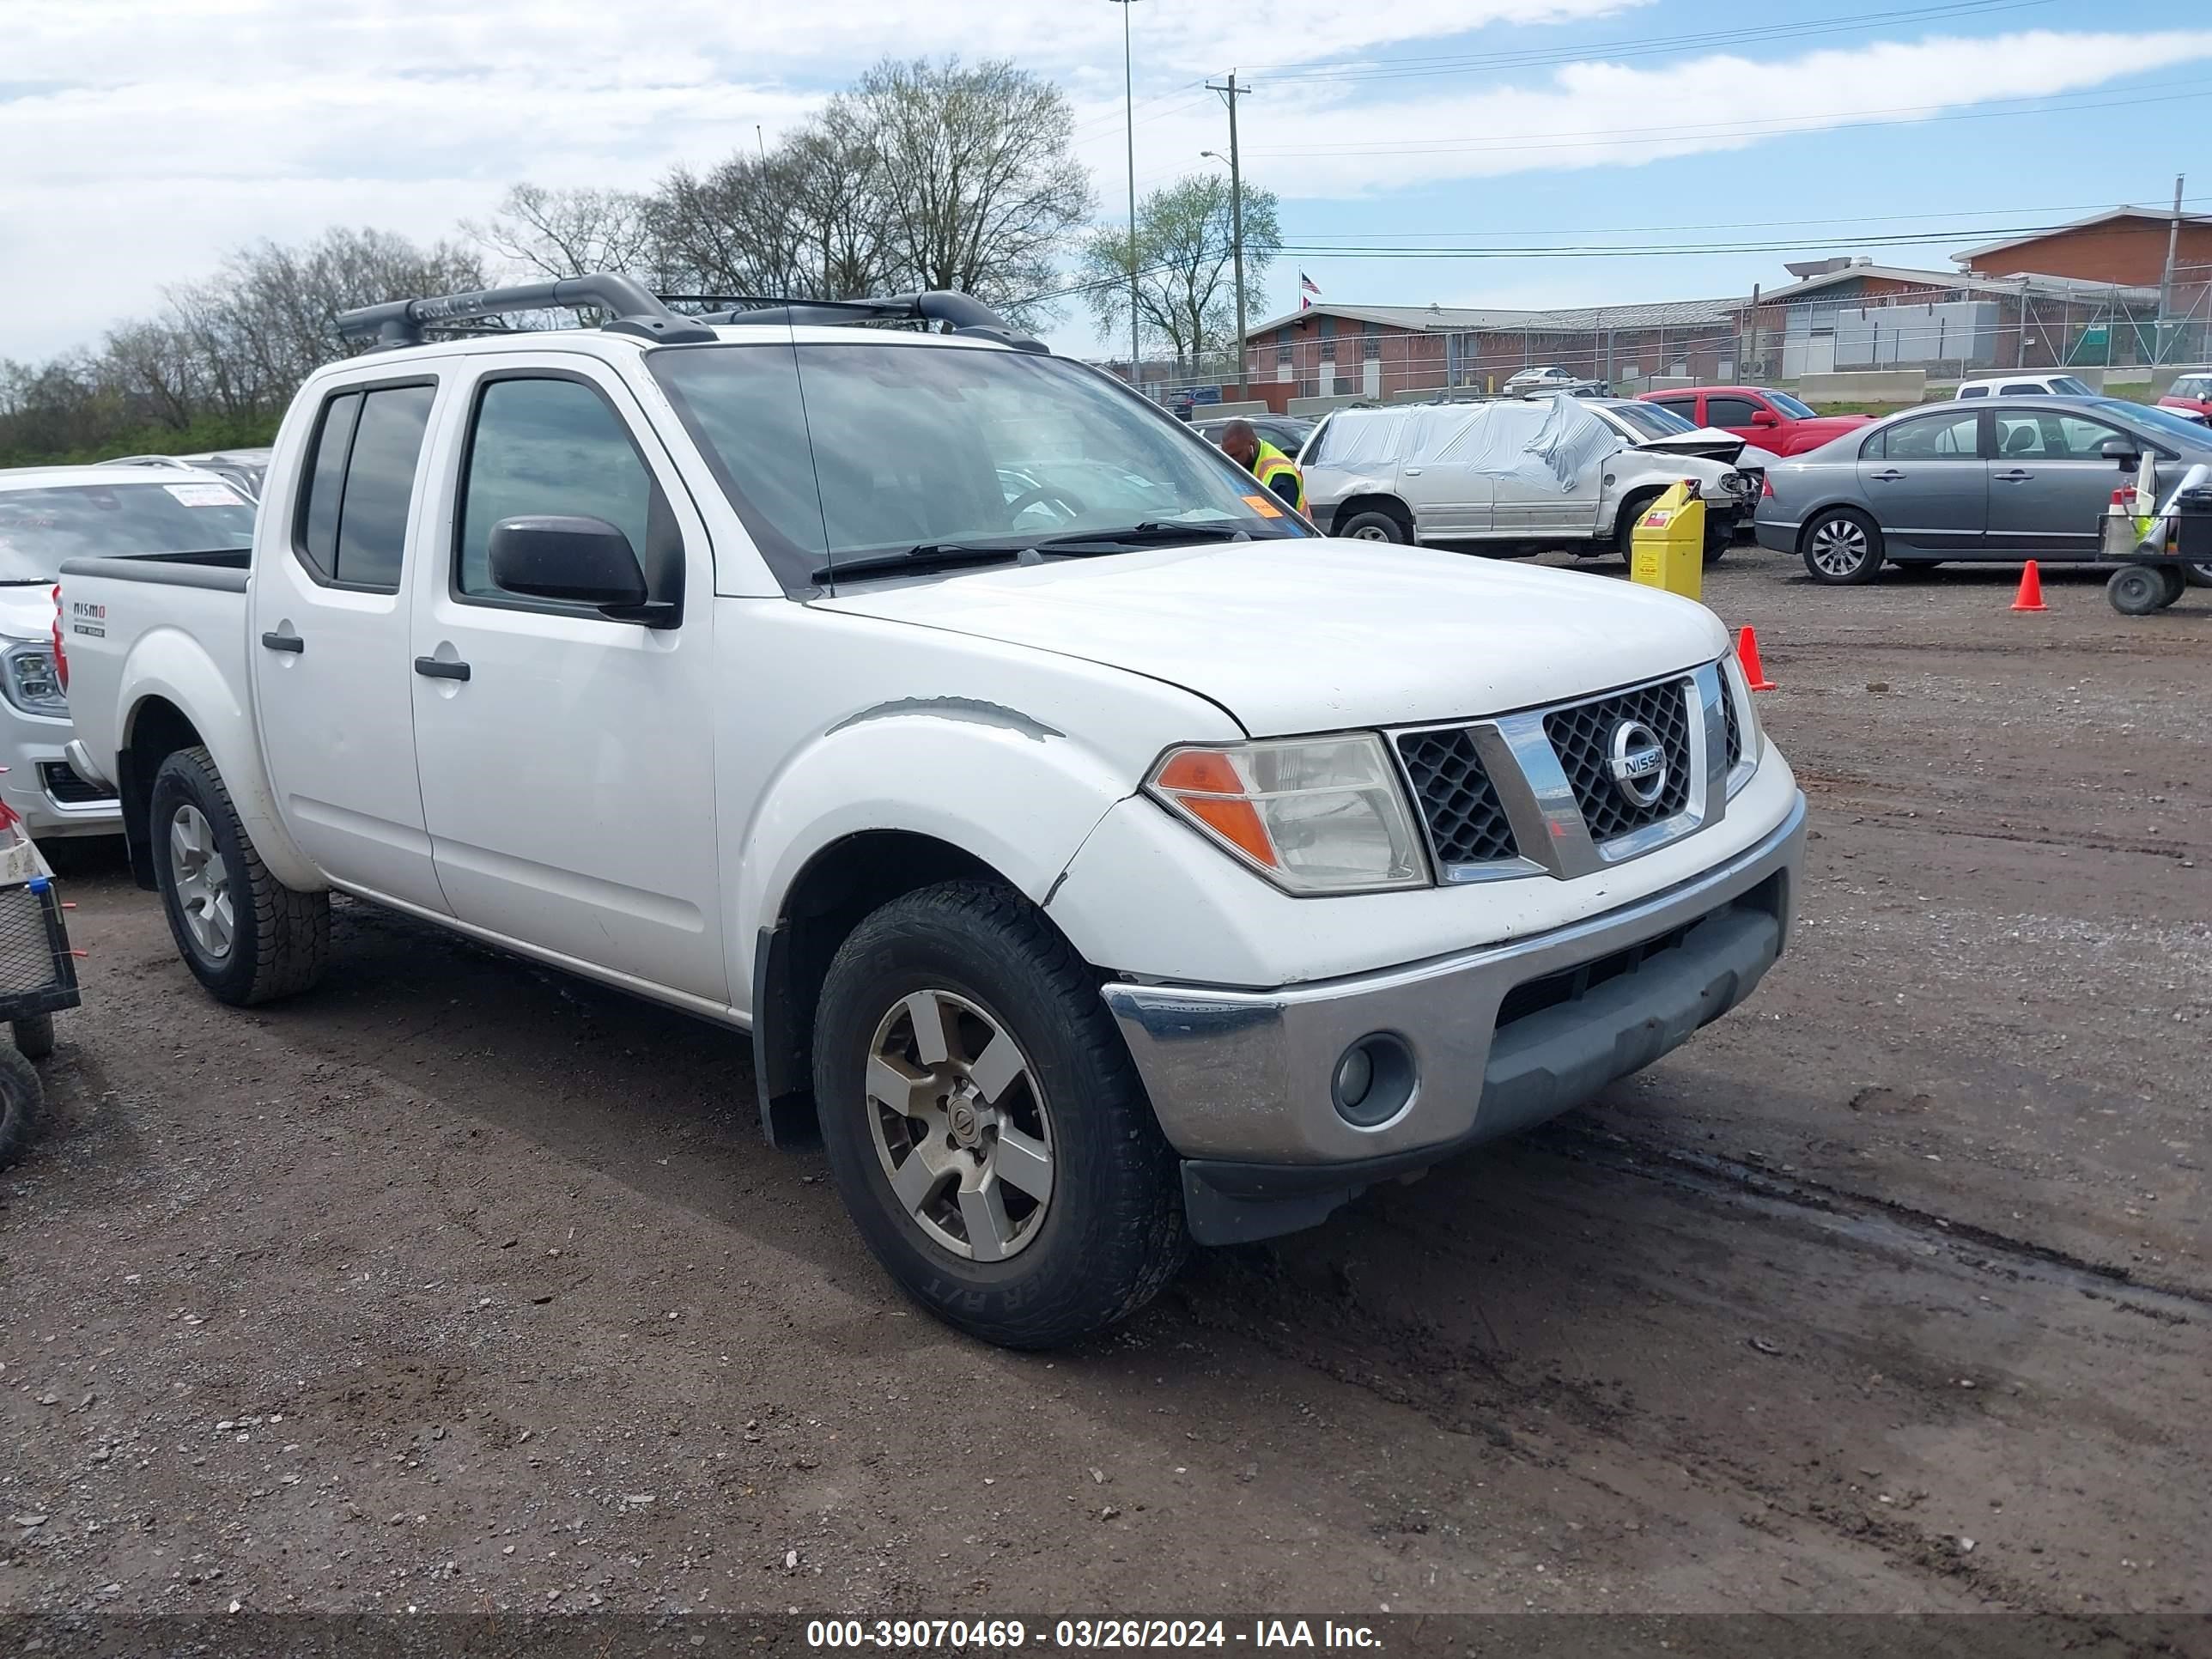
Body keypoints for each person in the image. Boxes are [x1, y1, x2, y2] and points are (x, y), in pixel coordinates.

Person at [1217, 419, 1306, 515]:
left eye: (1235, 455)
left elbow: (1282, 519)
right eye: (1227, 455)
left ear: (1252, 446)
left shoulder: (1281, 473)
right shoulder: (1247, 455)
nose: (1231, 460)